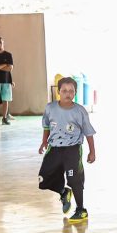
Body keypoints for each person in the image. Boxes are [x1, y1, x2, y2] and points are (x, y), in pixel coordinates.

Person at [37, 77, 96, 223]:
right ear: (58, 92)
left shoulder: (80, 111)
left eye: (71, 91)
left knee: (74, 179)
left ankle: (81, 210)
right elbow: (46, 126)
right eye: (64, 91)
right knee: (43, 178)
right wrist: (44, 141)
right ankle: (63, 192)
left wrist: (92, 151)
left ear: (75, 92)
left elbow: (88, 132)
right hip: (54, 148)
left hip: (72, 149)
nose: (68, 94)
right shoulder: (50, 108)